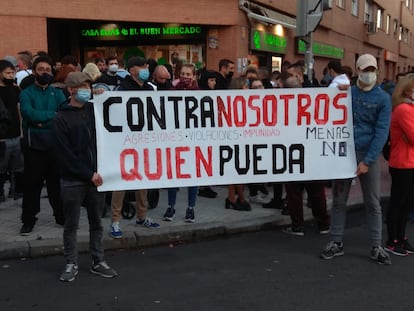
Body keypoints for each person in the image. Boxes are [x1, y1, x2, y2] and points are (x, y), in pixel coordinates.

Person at [320, 54, 392, 265]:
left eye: (372, 69)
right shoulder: (347, 94)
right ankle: (336, 241)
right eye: (365, 69)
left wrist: (367, 161)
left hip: (367, 154)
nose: (369, 74)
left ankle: (376, 245)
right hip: (344, 153)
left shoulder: (383, 99)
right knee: (339, 201)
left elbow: (381, 133)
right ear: (358, 71)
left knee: (373, 202)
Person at [53, 71, 117, 282]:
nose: (86, 90)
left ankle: (98, 260)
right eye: (82, 87)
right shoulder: (61, 117)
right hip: (75, 180)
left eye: (88, 86)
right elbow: (64, 155)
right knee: (71, 224)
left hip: (96, 178)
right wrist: (88, 174)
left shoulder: (94, 109)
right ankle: (71, 262)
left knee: (97, 222)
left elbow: (115, 115)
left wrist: (103, 94)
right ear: (70, 90)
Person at [110, 56, 159, 239]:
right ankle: (115, 221)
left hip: (143, 141)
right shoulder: (121, 89)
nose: (146, 68)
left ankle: (142, 216)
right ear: (132, 70)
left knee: (142, 180)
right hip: (124, 142)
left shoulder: (149, 88)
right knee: (121, 181)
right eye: (142, 66)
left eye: (146, 66)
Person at [19, 56, 66, 235]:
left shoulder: (57, 93)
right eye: (41, 69)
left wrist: (43, 120)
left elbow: (62, 113)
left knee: (56, 185)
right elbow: (28, 114)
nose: (44, 72)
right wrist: (51, 117)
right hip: (34, 147)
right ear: (33, 72)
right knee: (32, 185)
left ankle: (61, 217)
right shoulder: (26, 93)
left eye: (47, 69)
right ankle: (28, 220)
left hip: (55, 145)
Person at [282, 75, 330, 236]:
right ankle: (323, 224)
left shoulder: (282, 106)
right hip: (312, 153)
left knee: (294, 192)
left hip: (292, 154)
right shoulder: (313, 102)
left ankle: (297, 226)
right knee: (317, 191)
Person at [163, 64, 200, 222]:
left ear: (194, 76)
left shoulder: (199, 93)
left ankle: (191, 208)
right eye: (183, 73)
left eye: (188, 74)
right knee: (174, 174)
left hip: (193, 138)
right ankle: (171, 206)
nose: (185, 76)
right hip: (175, 138)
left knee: (193, 175)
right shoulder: (171, 91)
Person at [384, 73, 414, 256]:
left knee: (406, 203)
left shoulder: (409, 108)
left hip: (409, 162)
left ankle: (401, 237)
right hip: (402, 163)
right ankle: (392, 240)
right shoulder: (403, 109)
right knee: (398, 203)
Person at [0, 60, 24, 202]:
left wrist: (21, 131)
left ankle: (16, 191)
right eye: (7, 73)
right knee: (1, 168)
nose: (10, 76)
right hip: (2, 136)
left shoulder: (16, 89)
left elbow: (19, 110)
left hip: (16, 133)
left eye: (12, 73)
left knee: (19, 167)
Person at [196, 70, 218, 199]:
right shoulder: (200, 95)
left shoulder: (212, 94)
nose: (214, 83)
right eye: (211, 80)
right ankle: (202, 186)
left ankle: (206, 185)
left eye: (214, 80)